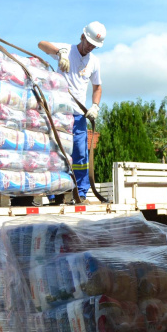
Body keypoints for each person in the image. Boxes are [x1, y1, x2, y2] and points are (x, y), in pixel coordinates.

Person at [38, 21, 105, 201]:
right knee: (57, 151)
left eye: (94, 46)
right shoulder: (66, 50)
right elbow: (41, 44)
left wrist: (95, 106)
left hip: (78, 115)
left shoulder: (94, 62)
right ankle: (54, 193)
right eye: (89, 42)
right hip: (59, 113)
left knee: (80, 154)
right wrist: (59, 53)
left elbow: (97, 87)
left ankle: (81, 192)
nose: (90, 47)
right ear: (82, 36)